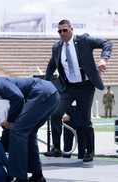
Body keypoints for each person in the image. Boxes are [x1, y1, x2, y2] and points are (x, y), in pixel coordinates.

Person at [0, 71, 60, 182]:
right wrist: (2, 144)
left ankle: (20, 178)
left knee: (18, 131)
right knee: (28, 133)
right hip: (50, 94)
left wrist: (10, 121)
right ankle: (37, 176)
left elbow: (17, 97)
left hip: (42, 93)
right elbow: (8, 122)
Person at [43, 19, 112, 162]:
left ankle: (90, 151)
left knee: (85, 120)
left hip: (85, 87)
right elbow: (51, 64)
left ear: (71, 29)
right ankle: (56, 147)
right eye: (59, 31)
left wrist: (103, 59)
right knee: (55, 113)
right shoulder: (57, 47)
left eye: (64, 30)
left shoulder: (84, 40)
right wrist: (45, 81)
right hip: (67, 87)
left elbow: (107, 43)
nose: (62, 33)